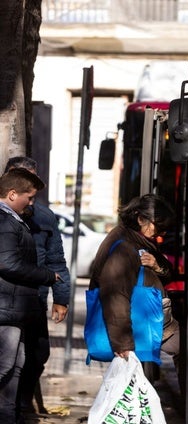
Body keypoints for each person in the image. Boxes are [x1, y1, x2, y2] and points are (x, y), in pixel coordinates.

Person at [3, 157, 71, 419]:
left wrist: (61, 298)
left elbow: (57, 259)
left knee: (34, 355)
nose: (30, 198)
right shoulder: (4, 217)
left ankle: (20, 407)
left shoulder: (43, 217)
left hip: (33, 301)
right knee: (8, 361)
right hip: (7, 302)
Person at [87, 194, 180, 378]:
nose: (162, 234)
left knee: (141, 379)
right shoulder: (124, 247)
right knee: (136, 381)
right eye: (159, 227)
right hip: (137, 325)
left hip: (146, 322)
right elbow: (115, 297)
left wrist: (156, 265)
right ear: (140, 219)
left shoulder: (139, 241)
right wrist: (123, 344)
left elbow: (168, 273)